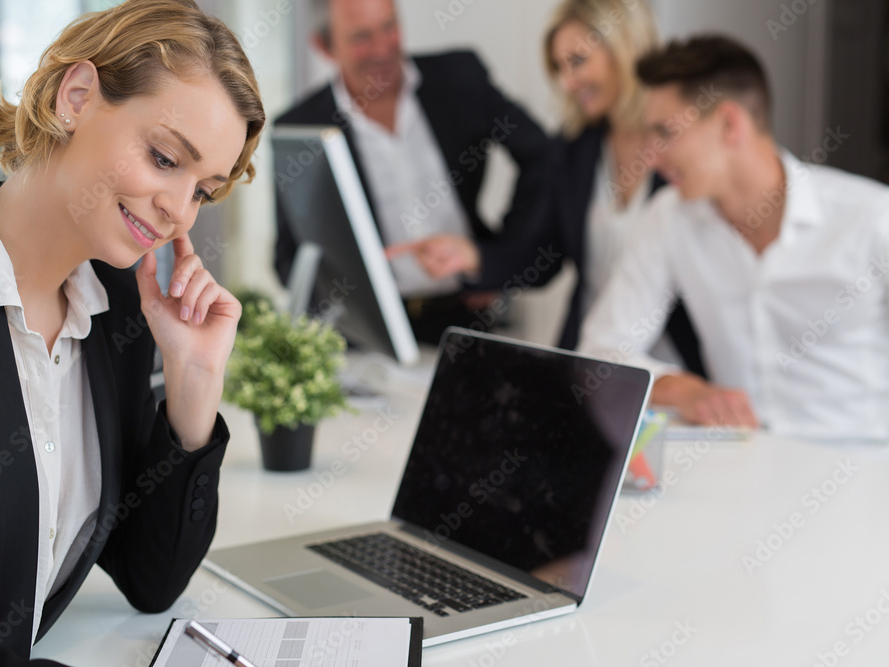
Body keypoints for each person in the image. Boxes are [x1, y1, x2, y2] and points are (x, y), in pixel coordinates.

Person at [0, 1, 265, 664]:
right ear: (78, 96)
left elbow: (151, 578)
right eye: (164, 158)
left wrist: (195, 380)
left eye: (204, 190)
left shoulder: (117, 311)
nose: (180, 211)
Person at [578, 35, 889, 439]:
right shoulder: (670, 217)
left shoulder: (871, 217)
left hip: (863, 479)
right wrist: (683, 391)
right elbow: (600, 353)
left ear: (730, 124)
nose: (650, 156)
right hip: (743, 470)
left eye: (666, 132)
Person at [387, 0, 705, 373]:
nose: (567, 83)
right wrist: (471, 258)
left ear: (623, 45)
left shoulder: (685, 150)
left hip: (680, 376)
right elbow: (541, 258)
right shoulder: (575, 150)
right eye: (559, 68)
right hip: (593, 368)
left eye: (577, 61)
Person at [272, 0, 548, 343]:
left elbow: (542, 154)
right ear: (324, 46)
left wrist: (495, 262)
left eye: (389, 27)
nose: (383, 48)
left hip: (463, 318)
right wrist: (349, 299)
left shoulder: (458, 79)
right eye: (362, 37)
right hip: (367, 335)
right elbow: (289, 258)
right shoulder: (301, 128)